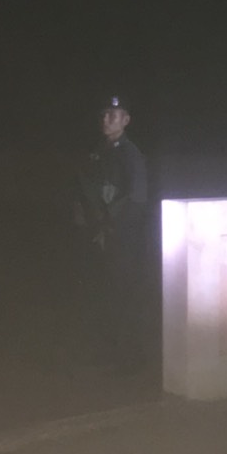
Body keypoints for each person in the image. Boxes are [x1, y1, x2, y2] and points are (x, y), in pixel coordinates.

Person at [73, 96, 150, 370]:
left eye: (113, 115)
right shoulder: (99, 151)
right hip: (100, 235)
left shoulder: (130, 154)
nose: (106, 120)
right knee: (103, 293)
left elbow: (136, 198)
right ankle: (109, 353)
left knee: (123, 294)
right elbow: (87, 190)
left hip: (121, 237)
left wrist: (111, 228)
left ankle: (129, 359)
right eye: (104, 114)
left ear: (126, 120)